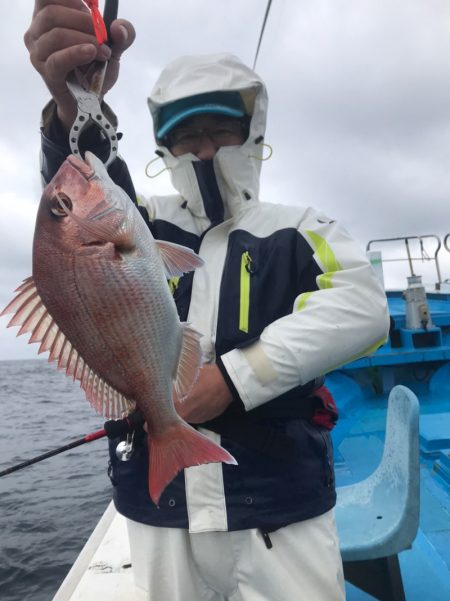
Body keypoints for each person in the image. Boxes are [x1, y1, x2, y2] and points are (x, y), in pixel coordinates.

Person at [24, 3, 390, 600]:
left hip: (280, 507)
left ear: (253, 134)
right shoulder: (141, 223)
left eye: (220, 129)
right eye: (185, 133)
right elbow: (81, 202)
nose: (202, 149)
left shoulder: (297, 226)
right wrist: (72, 104)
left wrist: (234, 377)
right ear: (163, 145)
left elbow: (364, 307)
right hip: (159, 508)